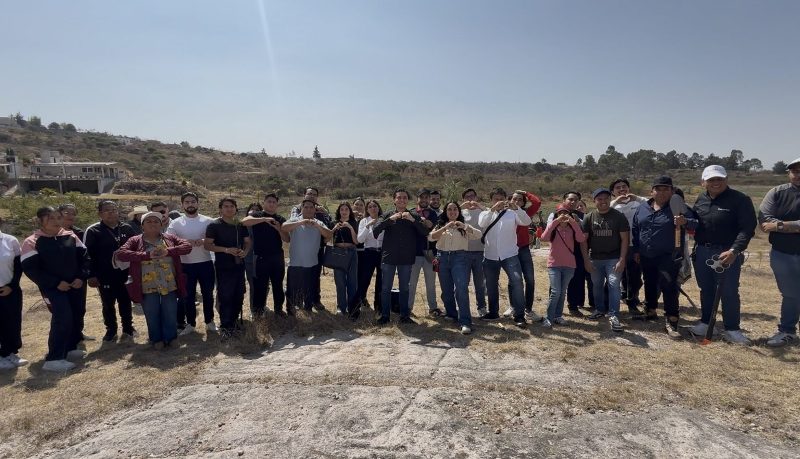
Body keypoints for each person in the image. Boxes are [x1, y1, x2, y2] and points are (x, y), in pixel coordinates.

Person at [690, 165, 757, 345]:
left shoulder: (740, 199)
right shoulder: (701, 199)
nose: (716, 183)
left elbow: (747, 229)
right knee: (706, 289)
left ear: (726, 180)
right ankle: (706, 323)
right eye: (711, 180)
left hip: (727, 252)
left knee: (729, 291)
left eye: (719, 179)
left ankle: (732, 329)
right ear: (703, 182)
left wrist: (735, 250)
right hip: (702, 251)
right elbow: (695, 222)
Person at [21, 207, 90, 372]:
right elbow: (31, 269)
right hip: (53, 289)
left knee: (76, 314)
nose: (56, 221)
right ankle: (54, 358)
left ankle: (70, 348)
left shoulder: (70, 236)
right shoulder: (32, 241)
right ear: (40, 221)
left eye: (58, 217)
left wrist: (80, 277)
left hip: (75, 285)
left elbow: (85, 258)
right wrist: (55, 283)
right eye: (50, 218)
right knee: (62, 317)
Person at [631, 176, 696, 337]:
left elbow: (696, 223)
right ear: (651, 192)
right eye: (658, 189)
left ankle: (672, 320)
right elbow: (636, 229)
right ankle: (650, 311)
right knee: (649, 282)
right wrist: (637, 250)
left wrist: (685, 221)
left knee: (669, 286)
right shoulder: (642, 208)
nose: (661, 192)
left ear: (672, 191)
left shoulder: (679, 207)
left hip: (669, 255)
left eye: (666, 189)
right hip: (647, 254)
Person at [116, 212, 192, 349]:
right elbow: (121, 254)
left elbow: (187, 246)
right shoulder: (135, 240)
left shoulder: (169, 238)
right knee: (151, 313)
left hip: (169, 282)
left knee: (170, 311)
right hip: (146, 284)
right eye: (149, 221)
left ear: (161, 225)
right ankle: (156, 339)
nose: (153, 224)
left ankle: (171, 337)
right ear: (142, 226)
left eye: (156, 221)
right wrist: (146, 255)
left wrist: (168, 251)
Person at [759, 157, 800, 346]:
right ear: (789, 173)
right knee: (790, 294)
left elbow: (772, 225)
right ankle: (787, 331)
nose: (798, 175)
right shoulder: (776, 192)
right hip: (782, 253)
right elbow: (764, 220)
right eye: (795, 171)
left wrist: (779, 226)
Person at [84, 200, 138, 342]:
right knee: (108, 304)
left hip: (125, 273)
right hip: (104, 275)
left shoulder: (126, 228)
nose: (111, 213)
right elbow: (88, 255)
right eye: (107, 210)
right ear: (100, 213)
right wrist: (91, 275)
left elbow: (136, 248)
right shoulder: (93, 231)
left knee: (125, 301)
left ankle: (128, 328)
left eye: (114, 209)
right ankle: (111, 330)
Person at [373, 189, 429, 325]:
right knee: (385, 288)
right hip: (389, 257)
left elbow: (425, 232)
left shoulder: (414, 215)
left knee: (404, 288)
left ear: (407, 200)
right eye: (399, 197)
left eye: (404, 197)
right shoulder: (387, 215)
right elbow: (375, 231)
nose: (402, 200)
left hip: (406, 258)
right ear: (394, 200)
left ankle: (404, 316)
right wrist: (389, 220)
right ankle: (385, 316)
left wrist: (413, 220)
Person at [479, 187, 531, 327]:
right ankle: (493, 312)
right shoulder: (485, 213)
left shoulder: (512, 213)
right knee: (491, 285)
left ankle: (519, 315)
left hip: (510, 254)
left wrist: (517, 209)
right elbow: (482, 223)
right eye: (495, 199)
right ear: (491, 200)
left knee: (517, 282)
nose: (499, 201)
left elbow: (526, 221)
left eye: (501, 199)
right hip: (490, 255)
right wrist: (492, 210)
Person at [166, 192, 216, 333]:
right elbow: (169, 242)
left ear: (198, 203)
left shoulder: (208, 221)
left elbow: (216, 238)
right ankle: (190, 324)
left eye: (193, 201)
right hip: (185, 265)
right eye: (187, 202)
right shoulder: (175, 223)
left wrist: (204, 241)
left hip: (205, 262)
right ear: (182, 205)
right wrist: (185, 242)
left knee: (208, 294)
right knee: (188, 296)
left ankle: (210, 321)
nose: (190, 204)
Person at [581, 188, 629, 333]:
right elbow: (583, 241)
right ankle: (599, 310)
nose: (603, 201)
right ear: (594, 201)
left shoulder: (619, 216)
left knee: (614, 284)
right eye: (599, 199)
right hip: (595, 258)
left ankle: (614, 315)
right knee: (596, 285)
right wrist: (586, 260)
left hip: (613, 258)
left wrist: (622, 259)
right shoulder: (589, 217)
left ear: (610, 199)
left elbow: (625, 239)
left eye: (606, 198)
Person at [428, 201, 481, 334]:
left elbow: (478, 235)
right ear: (445, 212)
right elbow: (431, 237)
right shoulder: (440, 224)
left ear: (459, 211)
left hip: (460, 258)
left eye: (455, 209)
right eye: (449, 210)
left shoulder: (464, 225)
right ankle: (451, 314)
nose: (452, 212)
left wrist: (465, 226)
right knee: (446, 289)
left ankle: (465, 322)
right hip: (442, 258)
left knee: (461, 289)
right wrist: (444, 228)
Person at [204, 198, 250, 337]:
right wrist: (226, 250)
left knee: (239, 294)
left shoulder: (240, 225)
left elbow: (248, 242)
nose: (229, 209)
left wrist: (245, 252)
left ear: (236, 208)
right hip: (223, 267)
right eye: (226, 206)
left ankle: (234, 322)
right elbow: (207, 245)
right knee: (225, 296)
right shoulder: (214, 225)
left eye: (232, 206)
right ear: (220, 209)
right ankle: (225, 325)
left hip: (239, 265)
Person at [242, 194, 289, 317]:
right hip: (260, 257)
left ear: (277, 205)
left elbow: (287, 239)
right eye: (269, 201)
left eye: (274, 202)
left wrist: (278, 228)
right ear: (264, 203)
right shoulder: (257, 215)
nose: (271, 204)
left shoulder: (280, 219)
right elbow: (244, 222)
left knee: (278, 284)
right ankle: (258, 312)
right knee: (260, 285)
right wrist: (264, 219)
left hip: (277, 257)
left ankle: (278, 309)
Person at [548, 192, 593, 317]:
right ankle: (554, 307)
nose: (573, 202)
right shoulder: (554, 214)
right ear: (564, 200)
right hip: (559, 252)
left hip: (577, 251)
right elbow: (548, 233)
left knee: (576, 279)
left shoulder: (583, 216)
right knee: (556, 282)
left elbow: (585, 234)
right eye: (570, 199)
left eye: (576, 200)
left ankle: (573, 306)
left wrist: (577, 223)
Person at [540, 204, 586, 327]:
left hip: (569, 265)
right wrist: (555, 222)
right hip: (554, 264)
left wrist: (573, 222)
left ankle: (558, 316)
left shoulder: (572, 229)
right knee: (555, 291)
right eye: (560, 213)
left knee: (562, 292)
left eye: (566, 213)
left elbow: (581, 239)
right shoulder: (553, 228)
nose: (563, 215)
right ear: (556, 215)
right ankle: (549, 317)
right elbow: (543, 238)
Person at [283, 200, 333, 312]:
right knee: (292, 289)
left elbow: (329, 235)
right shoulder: (295, 219)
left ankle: (308, 310)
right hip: (295, 263)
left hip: (312, 263)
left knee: (309, 289)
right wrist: (301, 222)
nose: (309, 209)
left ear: (315, 210)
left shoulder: (318, 223)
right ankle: (291, 311)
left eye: (311, 207)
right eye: (306, 207)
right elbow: (284, 227)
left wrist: (317, 226)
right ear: (301, 209)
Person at [609, 178, 647, 314]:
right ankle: (614, 301)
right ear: (612, 192)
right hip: (617, 246)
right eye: (617, 187)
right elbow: (603, 210)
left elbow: (652, 204)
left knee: (635, 276)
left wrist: (637, 198)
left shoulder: (638, 203)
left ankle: (632, 302)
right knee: (616, 275)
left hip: (635, 245)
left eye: (624, 186)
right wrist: (615, 201)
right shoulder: (613, 206)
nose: (622, 189)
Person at [58, 203, 92, 341]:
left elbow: (85, 256)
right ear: (59, 214)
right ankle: (66, 338)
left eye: (73, 213)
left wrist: (82, 276)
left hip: (79, 277)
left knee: (79, 307)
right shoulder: (50, 233)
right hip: (59, 280)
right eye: (67, 213)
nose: (71, 216)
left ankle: (78, 333)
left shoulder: (79, 233)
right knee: (63, 310)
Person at [507, 190, 542, 320]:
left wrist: (525, 192)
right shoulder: (505, 213)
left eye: (520, 199)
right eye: (514, 199)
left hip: (523, 249)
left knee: (530, 279)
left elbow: (537, 202)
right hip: (510, 250)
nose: (516, 201)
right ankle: (513, 306)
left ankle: (528, 309)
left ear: (523, 203)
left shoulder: (526, 213)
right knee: (513, 279)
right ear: (510, 200)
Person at [409, 188, 441, 316]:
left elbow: (434, 229)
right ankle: (408, 309)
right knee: (411, 283)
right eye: (421, 197)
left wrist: (427, 223)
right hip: (413, 254)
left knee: (431, 283)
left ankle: (433, 308)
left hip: (431, 254)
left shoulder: (434, 214)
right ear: (417, 199)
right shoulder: (410, 213)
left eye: (426, 197)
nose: (424, 200)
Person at [0, 220, 26, 370]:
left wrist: (12, 285)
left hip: (10, 290)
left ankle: (10, 352)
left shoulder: (11, 240)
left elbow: (18, 266)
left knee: (13, 322)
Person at [460, 188, 488, 316]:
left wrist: (480, 206)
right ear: (463, 199)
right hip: (464, 252)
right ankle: (462, 308)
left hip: (480, 252)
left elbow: (492, 214)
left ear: (476, 197)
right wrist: (461, 207)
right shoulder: (461, 213)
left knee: (480, 284)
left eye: (472, 196)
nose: (470, 199)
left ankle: (481, 308)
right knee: (462, 283)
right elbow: (447, 216)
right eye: (467, 197)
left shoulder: (483, 211)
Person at [330, 202, 360, 316]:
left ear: (349, 211)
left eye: (346, 209)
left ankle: (352, 307)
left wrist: (350, 227)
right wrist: (334, 229)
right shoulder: (334, 223)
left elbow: (356, 241)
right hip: (338, 253)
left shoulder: (354, 223)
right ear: (339, 211)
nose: (344, 211)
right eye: (342, 209)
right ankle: (341, 307)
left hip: (351, 252)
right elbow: (327, 239)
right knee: (340, 282)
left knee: (352, 281)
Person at [356, 199, 384, 311]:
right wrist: (368, 226)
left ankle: (378, 306)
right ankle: (360, 301)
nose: (373, 208)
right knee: (365, 279)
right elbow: (360, 239)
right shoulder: (364, 221)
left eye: (375, 206)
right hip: (368, 253)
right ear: (367, 210)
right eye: (370, 207)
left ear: (378, 208)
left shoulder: (383, 220)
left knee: (381, 281)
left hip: (382, 252)